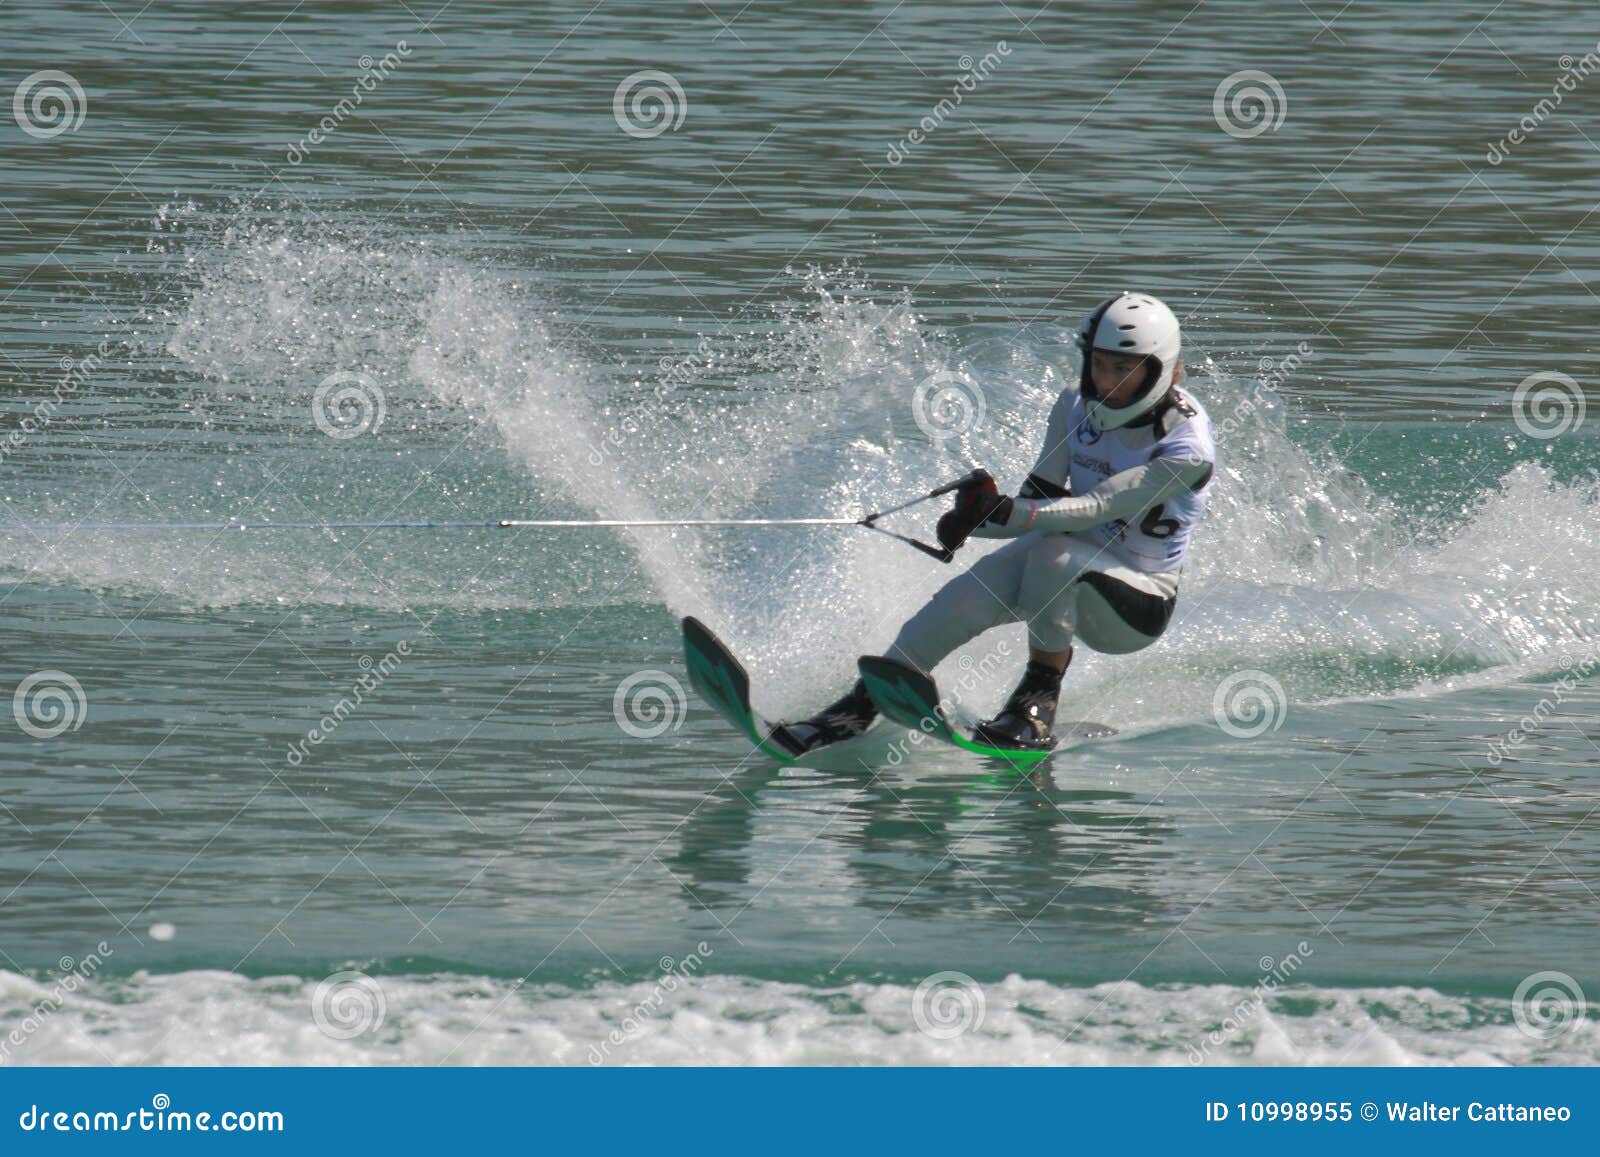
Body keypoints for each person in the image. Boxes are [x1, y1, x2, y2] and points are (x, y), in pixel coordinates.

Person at [774, 291, 1216, 752]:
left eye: (1122, 369)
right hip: (1063, 565)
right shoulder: (1073, 404)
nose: (1105, 381)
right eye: (1098, 364)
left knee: (1054, 555)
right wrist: (974, 520)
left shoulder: (1187, 447)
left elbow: (1099, 507)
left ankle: (1037, 705)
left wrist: (1010, 513)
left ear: (1161, 369)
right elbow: (1038, 502)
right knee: (964, 598)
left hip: (1134, 604)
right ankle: (857, 709)